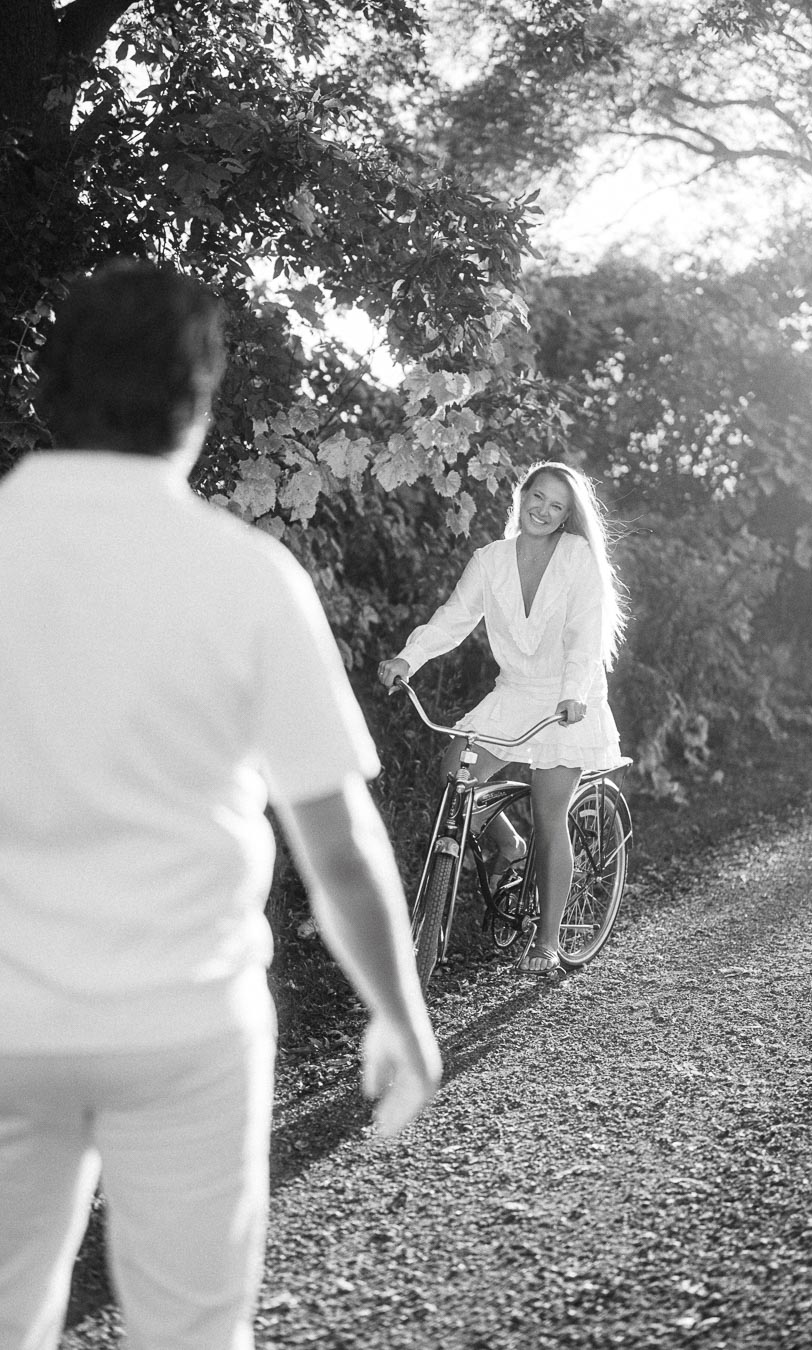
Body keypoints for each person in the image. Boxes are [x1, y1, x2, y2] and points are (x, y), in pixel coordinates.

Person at [0, 258, 441, 1350]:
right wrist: (399, 1012)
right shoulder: (246, 577)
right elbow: (336, 846)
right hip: (188, 1027)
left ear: (48, 390)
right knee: (192, 1334)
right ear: (196, 402)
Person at [378, 461, 626, 975]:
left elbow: (584, 634)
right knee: (455, 771)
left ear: (566, 517)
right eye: (538, 497)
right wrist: (409, 658)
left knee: (548, 811)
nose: (543, 510)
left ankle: (547, 942)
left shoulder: (577, 558)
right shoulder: (490, 560)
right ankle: (509, 846)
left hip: (566, 698)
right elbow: (453, 617)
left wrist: (575, 693)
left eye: (557, 506)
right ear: (522, 496)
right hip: (514, 694)